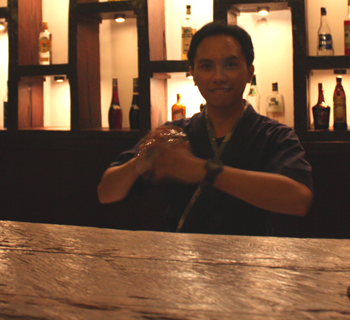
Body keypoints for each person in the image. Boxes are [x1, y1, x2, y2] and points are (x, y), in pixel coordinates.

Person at [97, 21, 313, 235]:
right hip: (182, 254)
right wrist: (139, 162)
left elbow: (299, 200)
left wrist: (202, 170)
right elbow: (106, 193)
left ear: (249, 72)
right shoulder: (175, 134)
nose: (218, 77)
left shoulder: (274, 135)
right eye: (206, 66)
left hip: (252, 254)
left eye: (230, 65)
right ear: (193, 74)